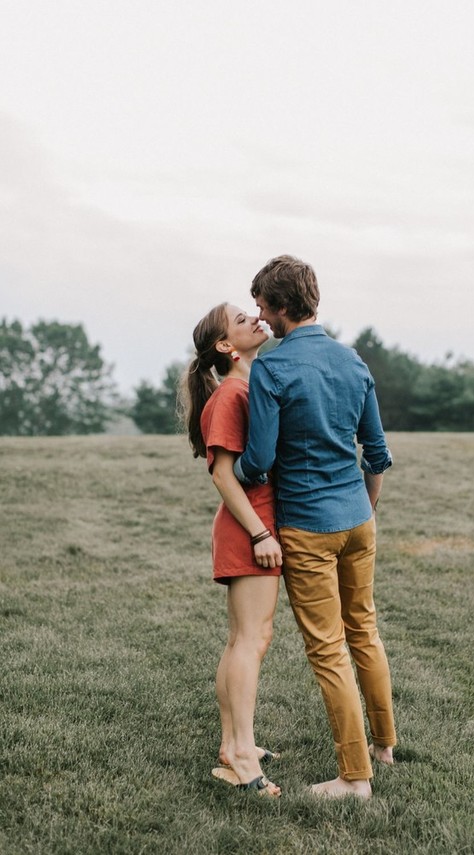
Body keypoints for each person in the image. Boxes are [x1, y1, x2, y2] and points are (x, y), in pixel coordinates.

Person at [233, 255, 397, 799]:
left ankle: (354, 778)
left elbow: (256, 460)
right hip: (357, 520)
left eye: (261, 306)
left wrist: (234, 469)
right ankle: (384, 745)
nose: (260, 316)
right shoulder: (353, 362)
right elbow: (376, 453)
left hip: (307, 527)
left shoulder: (272, 370)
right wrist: (366, 508)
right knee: (365, 633)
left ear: (280, 306)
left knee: (328, 650)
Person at [179, 302, 283, 797]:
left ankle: (233, 745)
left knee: (244, 638)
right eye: (244, 320)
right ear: (226, 346)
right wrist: (262, 533)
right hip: (249, 530)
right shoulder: (229, 396)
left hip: (251, 527)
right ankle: (241, 754)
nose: (255, 321)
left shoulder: (244, 387)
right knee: (251, 640)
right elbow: (222, 474)